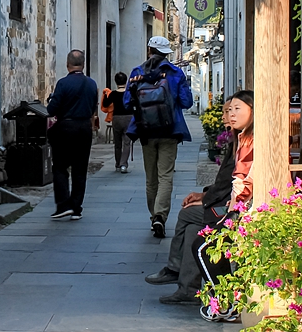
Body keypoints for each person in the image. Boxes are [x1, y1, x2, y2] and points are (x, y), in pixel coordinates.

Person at [144, 91, 254, 305]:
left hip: (237, 209)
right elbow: (225, 183)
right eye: (228, 110)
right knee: (195, 230)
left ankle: (175, 270)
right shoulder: (240, 139)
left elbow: (231, 185)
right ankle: (188, 289)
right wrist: (205, 196)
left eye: (236, 109)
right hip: (229, 203)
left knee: (187, 214)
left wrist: (205, 200)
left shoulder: (248, 142)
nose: (230, 115)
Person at [125, 35, 195, 238]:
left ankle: (153, 216)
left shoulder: (137, 72)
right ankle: (160, 216)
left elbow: (128, 102)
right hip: (170, 130)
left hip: (146, 130)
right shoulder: (175, 73)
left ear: (149, 51)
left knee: (151, 178)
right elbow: (187, 101)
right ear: (166, 54)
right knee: (166, 175)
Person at [46, 49, 99, 220]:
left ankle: (63, 204)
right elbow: (93, 108)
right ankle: (76, 207)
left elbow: (52, 109)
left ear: (67, 64)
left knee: (60, 166)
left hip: (66, 127)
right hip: (84, 127)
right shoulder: (91, 84)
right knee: (80, 168)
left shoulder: (63, 83)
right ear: (83, 65)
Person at [102, 71, 133, 173]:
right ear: (126, 81)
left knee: (117, 143)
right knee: (127, 143)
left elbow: (106, 104)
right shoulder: (129, 93)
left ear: (116, 82)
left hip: (116, 119)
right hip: (128, 118)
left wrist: (106, 94)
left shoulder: (113, 94)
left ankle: (117, 164)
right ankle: (124, 164)